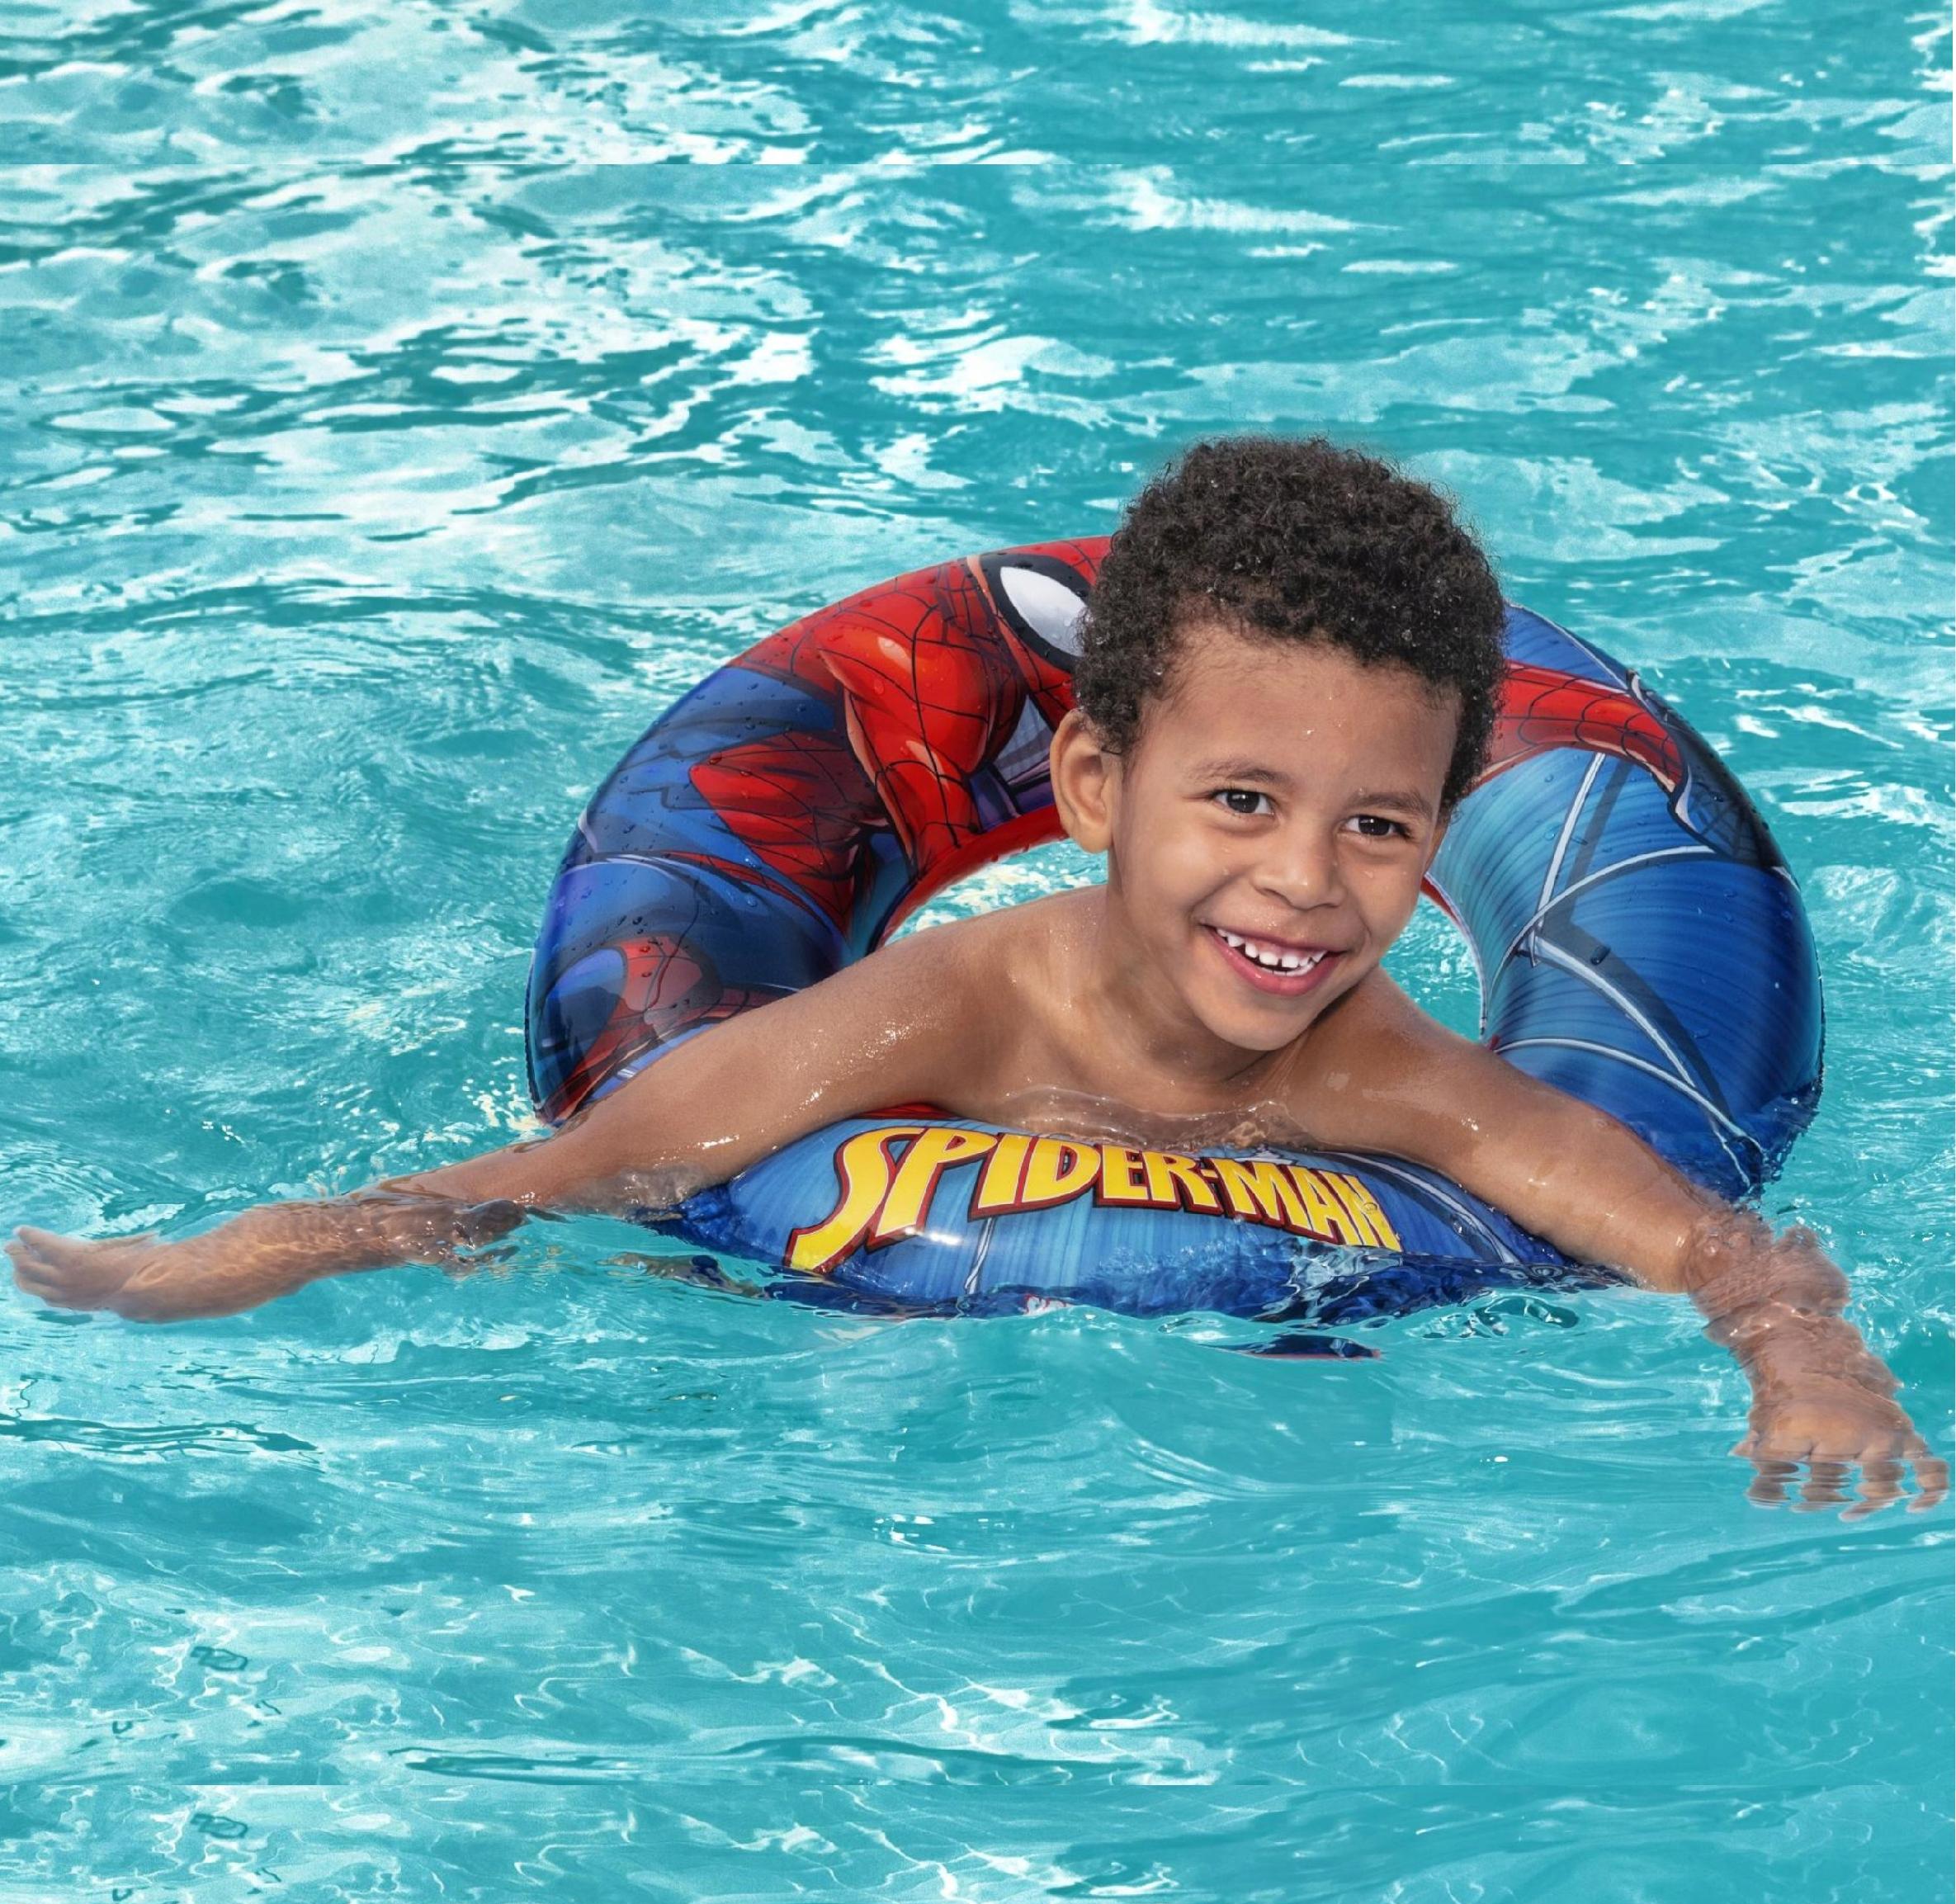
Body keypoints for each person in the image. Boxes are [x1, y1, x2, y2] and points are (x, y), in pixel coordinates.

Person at [7, 437, 1944, 1519]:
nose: (1302, 882)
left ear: (1448, 835)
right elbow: (562, 1178)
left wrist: (1809, 1365)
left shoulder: (1394, 1079)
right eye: (1242, 800)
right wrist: (223, 1264)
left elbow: (1705, 1244)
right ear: (1090, 787)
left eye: (1378, 825)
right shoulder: (947, 1011)